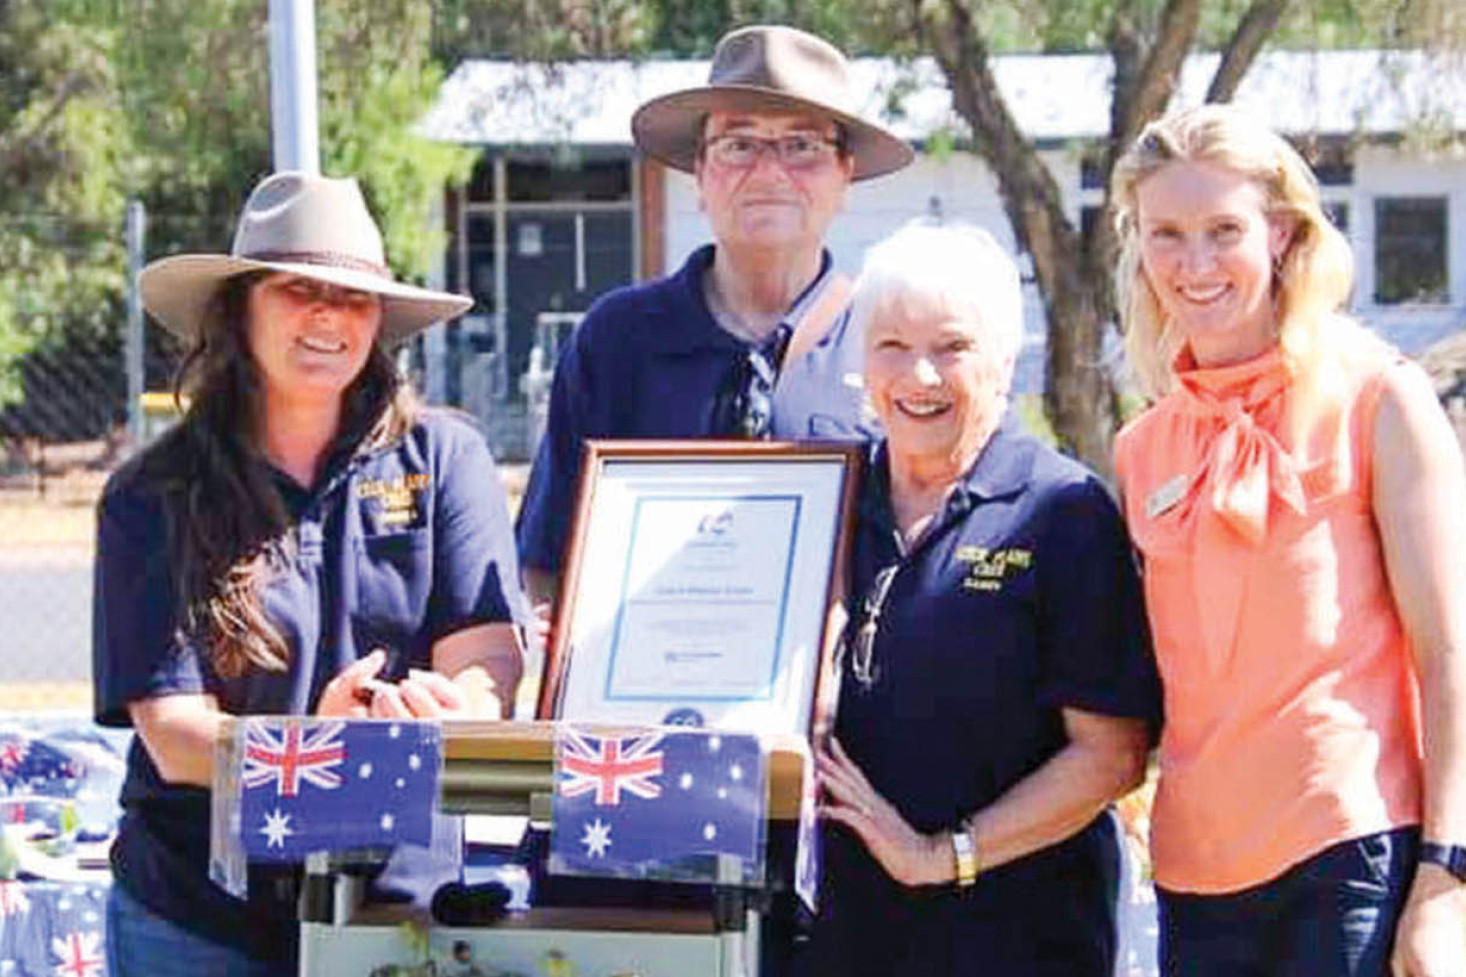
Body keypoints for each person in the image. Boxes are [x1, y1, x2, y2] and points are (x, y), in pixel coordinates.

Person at [92, 172, 526, 975]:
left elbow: (490, 661)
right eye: (300, 289)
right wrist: (317, 747)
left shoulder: (446, 458)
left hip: (400, 908)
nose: (330, 316)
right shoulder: (152, 493)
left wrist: (447, 707)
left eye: (355, 297)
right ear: (238, 309)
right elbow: (179, 740)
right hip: (201, 917)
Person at [1111, 104, 1466, 977]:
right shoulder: (1140, 448)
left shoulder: (1383, 400)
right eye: (1168, 234)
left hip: (1351, 856)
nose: (1194, 264)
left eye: (1223, 229)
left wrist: (1447, 878)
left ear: (1279, 233)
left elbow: (1452, 657)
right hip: (1194, 879)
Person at [813, 222, 1160, 975]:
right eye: (892, 347)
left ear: (1005, 358)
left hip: (1020, 935)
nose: (921, 377)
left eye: (952, 347)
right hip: (848, 932)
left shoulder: (1061, 511)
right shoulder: (828, 500)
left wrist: (942, 856)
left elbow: (1112, 755)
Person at [515, 24, 914, 606]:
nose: (771, 171)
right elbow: (549, 559)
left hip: (854, 696)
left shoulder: (894, 338)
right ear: (700, 174)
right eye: (738, 144)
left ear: (844, 175)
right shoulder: (618, 341)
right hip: (642, 687)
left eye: (803, 145)